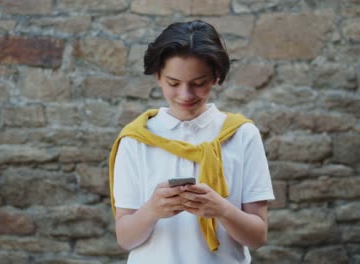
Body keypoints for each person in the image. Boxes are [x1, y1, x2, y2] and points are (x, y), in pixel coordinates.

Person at [108, 20, 275, 264]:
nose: (185, 95)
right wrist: (152, 210)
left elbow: (258, 237)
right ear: (158, 76)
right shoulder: (136, 139)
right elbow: (125, 239)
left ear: (216, 77)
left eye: (198, 83)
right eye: (173, 83)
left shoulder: (242, 135)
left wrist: (222, 210)